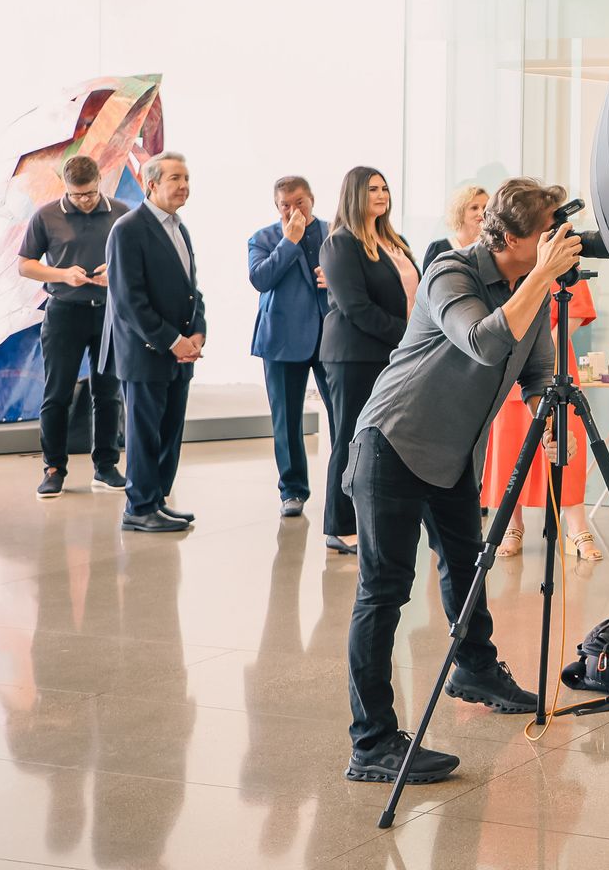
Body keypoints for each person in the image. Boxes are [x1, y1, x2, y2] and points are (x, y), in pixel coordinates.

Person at [342, 177, 582, 785]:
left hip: (451, 455)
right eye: (546, 233)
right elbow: (482, 340)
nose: (558, 242)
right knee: (385, 591)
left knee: (466, 564)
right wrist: (540, 279)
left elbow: (535, 366)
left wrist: (546, 413)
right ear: (509, 239)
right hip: (394, 443)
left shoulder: (531, 286)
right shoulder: (451, 273)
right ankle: (371, 743)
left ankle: (474, 668)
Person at [16, 155, 129, 498]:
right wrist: (63, 274)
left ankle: (106, 466)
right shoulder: (46, 215)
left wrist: (116, 271)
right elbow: (25, 265)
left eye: (90, 193)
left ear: (100, 182)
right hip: (64, 311)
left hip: (109, 312)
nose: (84, 200)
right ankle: (53, 469)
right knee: (57, 394)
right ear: (66, 187)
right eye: (77, 195)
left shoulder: (122, 214)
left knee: (108, 392)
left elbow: (136, 261)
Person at [318, 167, 418, 556]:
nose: (381, 194)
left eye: (385, 188)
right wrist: (408, 336)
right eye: (372, 189)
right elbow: (356, 308)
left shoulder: (396, 241)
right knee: (349, 437)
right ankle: (339, 525)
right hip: (354, 356)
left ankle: (378, 516)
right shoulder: (340, 244)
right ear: (354, 195)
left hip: (395, 354)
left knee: (384, 440)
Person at [102, 152, 204, 533]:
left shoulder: (180, 227)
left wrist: (198, 333)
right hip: (146, 353)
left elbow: (191, 289)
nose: (184, 186)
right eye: (175, 178)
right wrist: (172, 340)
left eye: (187, 178)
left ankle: (157, 499)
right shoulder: (128, 229)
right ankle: (139, 507)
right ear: (152, 184)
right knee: (145, 434)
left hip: (179, 354)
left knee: (168, 431)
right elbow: (129, 300)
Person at [483, 275, 602, 561]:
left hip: (554, 360)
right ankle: (513, 525)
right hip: (509, 362)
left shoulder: (562, 257)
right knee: (510, 446)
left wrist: (539, 350)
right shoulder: (507, 258)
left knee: (563, 442)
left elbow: (575, 311)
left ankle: (576, 527)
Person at [249, 176, 333, 518]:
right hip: (282, 339)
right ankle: (292, 490)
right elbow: (260, 279)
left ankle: (347, 486)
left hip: (331, 336)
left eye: (299, 202)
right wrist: (289, 242)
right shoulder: (263, 238)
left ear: (312, 199)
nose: (293, 209)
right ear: (276, 206)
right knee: (286, 419)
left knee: (344, 416)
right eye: (285, 204)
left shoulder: (335, 232)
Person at [422, 185, 487, 275]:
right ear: (460, 212)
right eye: (474, 208)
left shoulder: (490, 248)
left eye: (485, 207)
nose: (481, 213)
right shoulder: (438, 248)